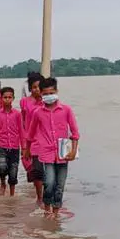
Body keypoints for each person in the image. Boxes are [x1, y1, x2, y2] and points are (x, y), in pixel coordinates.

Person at [23, 77, 79, 217]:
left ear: (57, 91)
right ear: (41, 94)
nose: (49, 96)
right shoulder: (38, 113)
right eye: (46, 93)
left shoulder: (66, 110)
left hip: (63, 153)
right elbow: (30, 133)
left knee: (60, 185)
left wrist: (73, 151)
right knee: (49, 182)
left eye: (51, 92)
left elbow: (75, 132)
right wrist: (27, 150)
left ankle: (55, 212)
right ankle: (47, 208)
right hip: (46, 153)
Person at [20, 72, 45, 204]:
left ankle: (48, 196)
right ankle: (39, 197)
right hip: (31, 140)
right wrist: (24, 144)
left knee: (48, 169)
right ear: (30, 88)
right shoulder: (25, 102)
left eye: (39, 87)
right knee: (36, 170)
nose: (37, 90)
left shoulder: (47, 101)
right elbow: (23, 122)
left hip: (46, 140)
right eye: (34, 87)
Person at [0, 86, 23, 196]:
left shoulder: (17, 114)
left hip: (15, 147)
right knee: (1, 167)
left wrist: (24, 147)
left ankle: (12, 194)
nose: (7, 99)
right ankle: (2, 182)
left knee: (13, 171)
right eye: (5, 97)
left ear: (13, 98)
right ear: (1, 98)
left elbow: (21, 131)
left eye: (9, 97)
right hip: (2, 146)